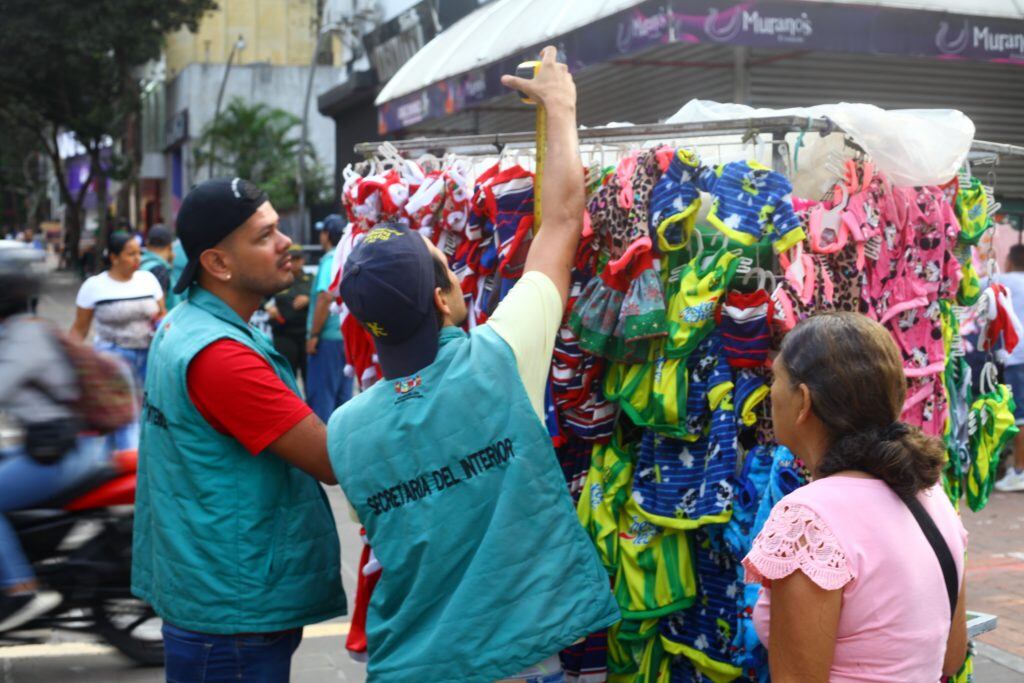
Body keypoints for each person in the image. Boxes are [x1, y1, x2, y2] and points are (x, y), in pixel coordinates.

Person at [326, 47, 619, 682]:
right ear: (444, 298)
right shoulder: (502, 358)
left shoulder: (345, 431)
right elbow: (564, 220)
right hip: (515, 662)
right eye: (446, 266)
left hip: (410, 665)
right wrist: (561, 106)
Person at [131, 177, 345, 683]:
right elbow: (332, 460)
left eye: (279, 227)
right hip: (233, 617)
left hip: (217, 595)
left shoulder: (185, 323)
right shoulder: (222, 357)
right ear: (218, 263)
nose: (286, 241)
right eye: (265, 235)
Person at [743, 312, 968, 682]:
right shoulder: (932, 497)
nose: (771, 393)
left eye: (775, 379)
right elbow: (951, 657)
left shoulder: (809, 518)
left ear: (803, 400)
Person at [0, 247, 109, 631]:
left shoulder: (22, 340)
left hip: (60, 452)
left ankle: (19, 586)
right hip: (54, 444)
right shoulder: (22, 330)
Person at [69, 231, 165, 449]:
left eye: (138, 254)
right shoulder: (94, 286)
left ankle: (129, 460)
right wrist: (69, 358)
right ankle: (129, 464)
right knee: (126, 413)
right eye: (130, 254)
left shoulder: (148, 280)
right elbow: (80, 328)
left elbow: (162, 316)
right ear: (114, 257)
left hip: (147, 353)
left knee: (148, 409)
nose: (137, 259)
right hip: (112, 355)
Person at [306, 215, 351, 421]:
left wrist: (314, 334)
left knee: (322, 401)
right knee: (345, 402)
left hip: (327, 341)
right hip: (345, 339)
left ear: (327, 235)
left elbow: (325, 297)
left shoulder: (330, 260)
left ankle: (323, 452)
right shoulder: (347, 258)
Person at [995, 244, 1024, 492]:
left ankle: (1018, 471)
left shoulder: (1004, 281)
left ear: (1010, 261)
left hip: (1016, 357)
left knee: (1019, 417)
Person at [267, 245, 312, 386]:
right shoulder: (277, 278)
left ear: (303, 260)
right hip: (284, 335)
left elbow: (325, 297)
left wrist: (309, 299)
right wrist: (268, 307)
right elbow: (259, 296)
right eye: (291, 259)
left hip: (306, 335)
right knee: (286, 379)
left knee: (311, 379)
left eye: (297, 258)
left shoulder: (311, 279)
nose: (294, 262)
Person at [139, 224, 178, 305]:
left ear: (147, 244)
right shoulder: (160, 270)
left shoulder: (138, 263)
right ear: (170, 246)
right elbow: (160, 308)